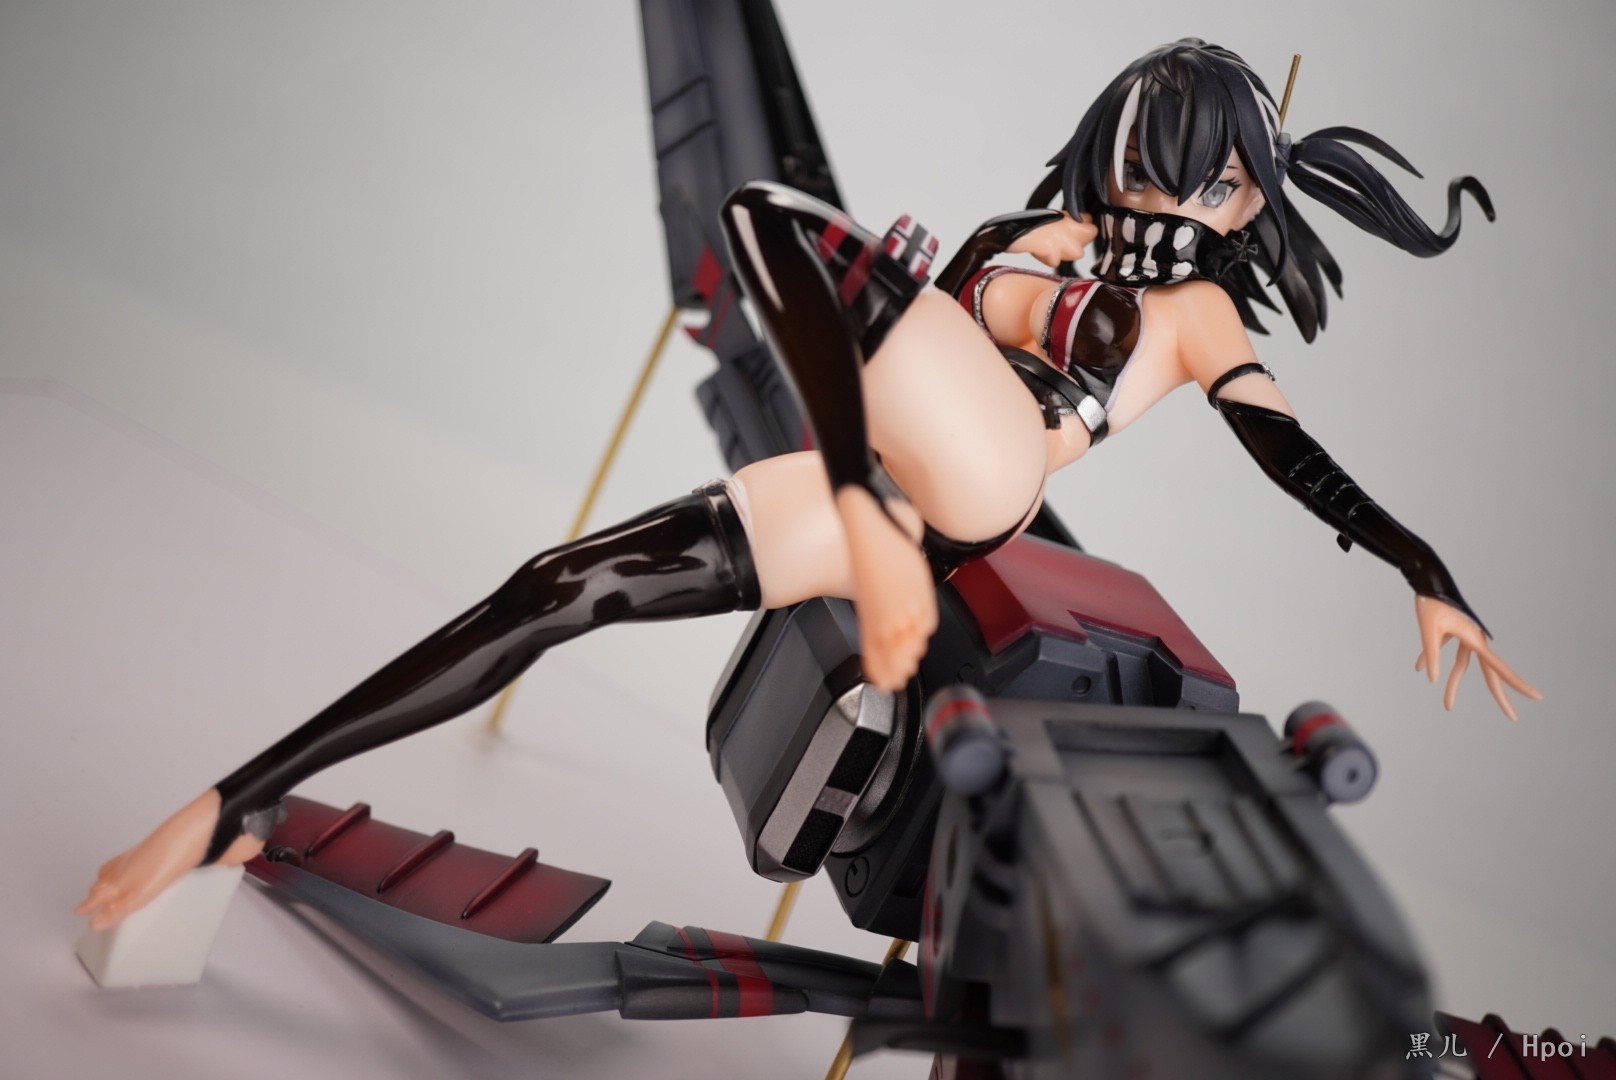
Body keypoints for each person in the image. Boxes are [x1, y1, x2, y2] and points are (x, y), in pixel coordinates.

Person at [78, 38, 1537, 933]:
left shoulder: (1199, 315)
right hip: (887, 490)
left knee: (772, 215)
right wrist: (914, 318)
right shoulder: (1030, 233)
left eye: (1207, 188)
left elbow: (1292, 456)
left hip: (982, 478)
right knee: (558, 588)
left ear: (1247, 195)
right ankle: (231, 802)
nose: (1169, 210)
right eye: (1148, 175)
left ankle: (862, 524)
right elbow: (899, 336)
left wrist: (1426, 573)